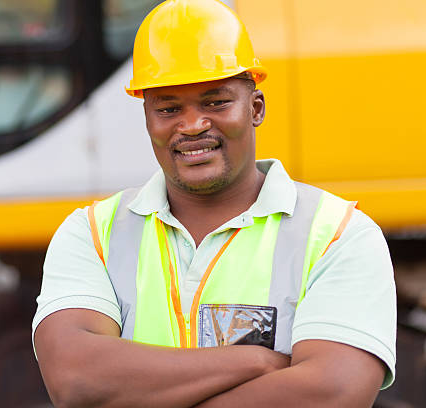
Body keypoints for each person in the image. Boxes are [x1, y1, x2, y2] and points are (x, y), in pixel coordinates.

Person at [32, 0, 396, 406]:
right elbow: (75, 378)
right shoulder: (94, 233)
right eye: (169, 108)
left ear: (255, 109)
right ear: (148, 120)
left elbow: (332, 393)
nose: (191, 125)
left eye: (215, 102)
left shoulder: (338, 235)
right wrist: (258, 362)